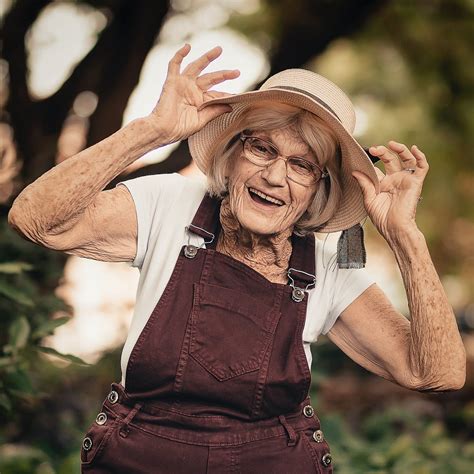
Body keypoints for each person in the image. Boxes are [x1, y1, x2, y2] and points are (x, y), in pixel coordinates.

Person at [8, 44, 466, 473]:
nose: (273, 176)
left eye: (302, 165)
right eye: (262, 148)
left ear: (318, 190)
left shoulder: (328, 271)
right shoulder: (170, 204)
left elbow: (438, 373)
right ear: (234, 152)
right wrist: (152, 131)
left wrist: (406, 237)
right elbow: (34, 219)